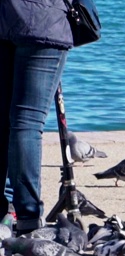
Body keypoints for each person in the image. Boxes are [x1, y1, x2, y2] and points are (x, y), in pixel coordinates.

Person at [0, 0, 72, 234]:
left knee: (5, 122)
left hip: (4, 19)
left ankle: (6, 212)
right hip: (44, 23)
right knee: (27, 124)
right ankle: (28, 215)